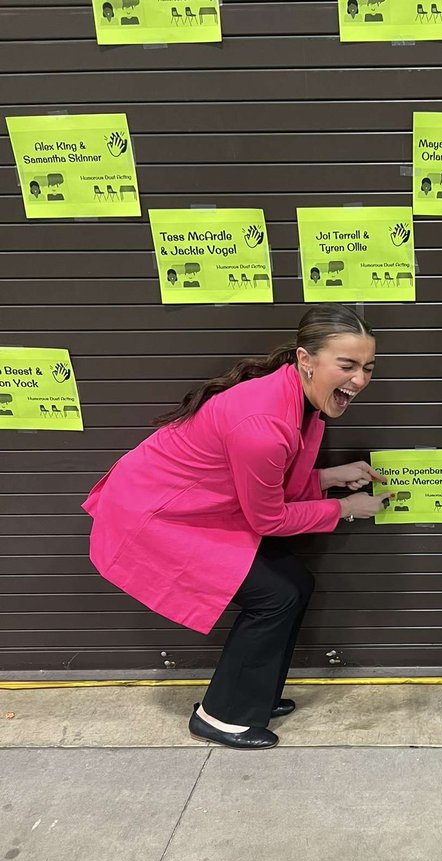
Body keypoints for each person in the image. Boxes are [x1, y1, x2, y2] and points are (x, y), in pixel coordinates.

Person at [83, 304, 390, 750]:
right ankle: (222, 717)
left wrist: (328, 477)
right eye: (347, 366)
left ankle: (252, 695)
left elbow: (266, 482)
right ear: (306, 360)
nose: (359, 380)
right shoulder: (264, 422)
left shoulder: (292, 395)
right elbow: (269, 517)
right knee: (275, 595)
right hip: (156, 514)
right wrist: (344, 508)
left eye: (368, 368)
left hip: (192, 507)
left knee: (294, 583)